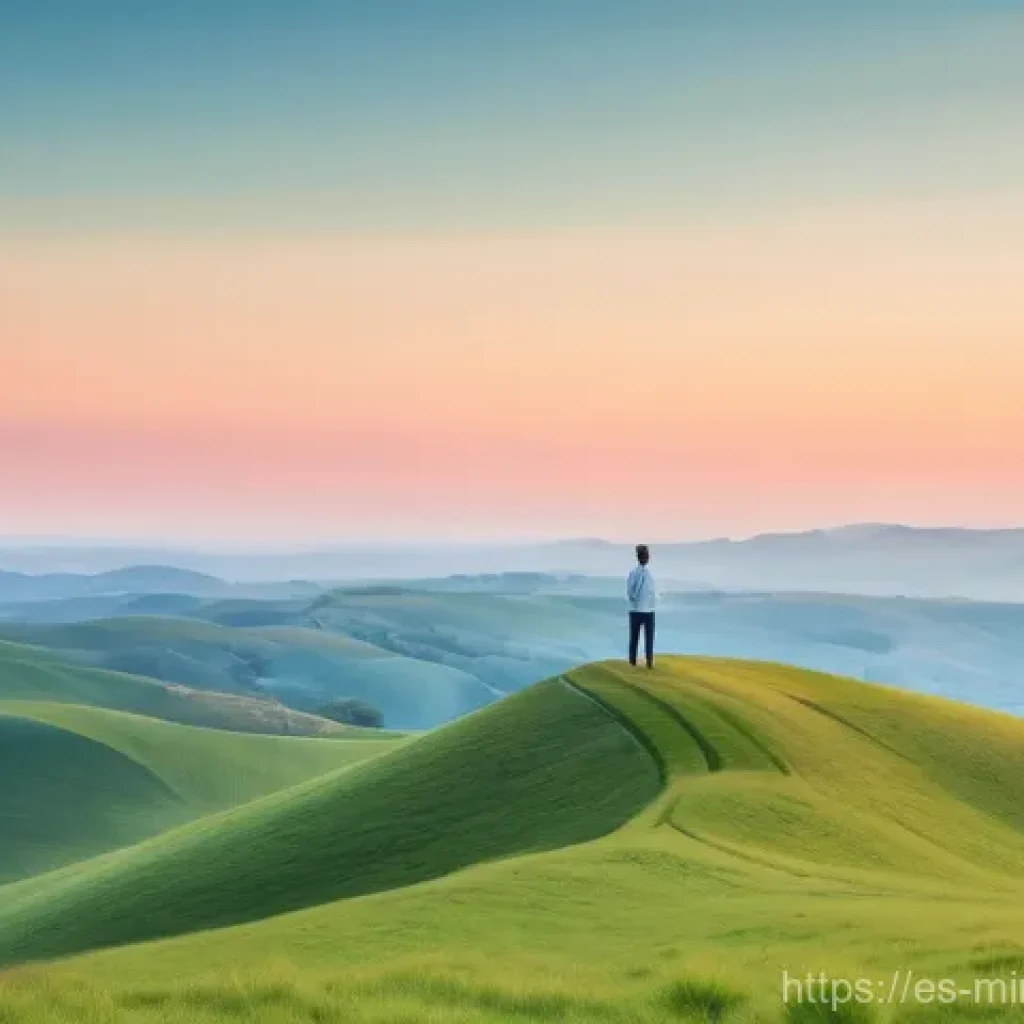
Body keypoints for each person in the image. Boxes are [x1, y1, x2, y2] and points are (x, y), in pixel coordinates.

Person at [626, 544, 656, 669]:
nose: (647, 558)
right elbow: (631, 591)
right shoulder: (635, 573)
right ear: (640, 557)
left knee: (647, 637)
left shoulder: (647, 573)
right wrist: (636, 599)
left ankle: (648, 661)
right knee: (635, 637)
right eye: (645, 555)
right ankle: (633, 661)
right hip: (637, 610)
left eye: (647, 555)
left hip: (648, 609)